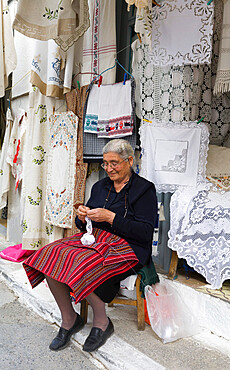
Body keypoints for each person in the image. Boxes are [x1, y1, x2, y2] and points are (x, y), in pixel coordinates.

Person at [23, 139, 157, 353]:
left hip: (128, 248)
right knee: (49, 254)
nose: (109, 168)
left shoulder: (144, 190)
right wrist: (82, 217)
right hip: (95, 239)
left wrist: (112, 218)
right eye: (105, 163)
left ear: (129, 160)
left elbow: (145, 233)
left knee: (80, 262)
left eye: (114, 163)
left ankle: (102, 322)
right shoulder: (100, 186)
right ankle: (69, 319)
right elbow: (82, 225)